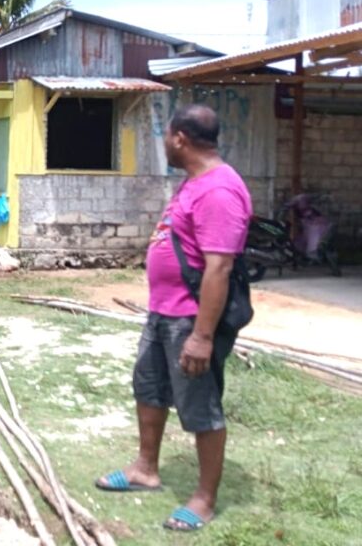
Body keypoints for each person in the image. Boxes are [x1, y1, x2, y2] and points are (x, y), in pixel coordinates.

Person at [95, 104, 252, 533]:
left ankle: (204, 498)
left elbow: (218, 268)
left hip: (190, 320)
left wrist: (202, 336)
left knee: (200, 405)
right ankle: (146, 468)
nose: (163, 143)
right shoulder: (194, 184)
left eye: (166, 136)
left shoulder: (219, 189)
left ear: (180, 138)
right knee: (149, 389)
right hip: (163, 313)